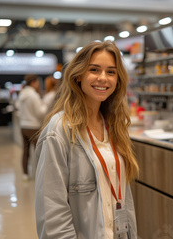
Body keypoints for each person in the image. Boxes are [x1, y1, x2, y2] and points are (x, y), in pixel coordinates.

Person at [34, 41, 138, 238]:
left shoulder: (113, 126)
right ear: (78, 76)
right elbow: (52, 212)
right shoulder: (59, 131)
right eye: (94, 69)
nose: (103, 78)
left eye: (111, 72)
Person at [17, 74, 47, 180]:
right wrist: (45, 105)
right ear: (33, 82)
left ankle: (25, 174)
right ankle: (40, 174)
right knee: (38, 152)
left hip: (23, 126)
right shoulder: (34, 96)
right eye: (37, 82)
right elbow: (39, 113)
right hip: (33, 126)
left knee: (25, 151)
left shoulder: (22, 94)